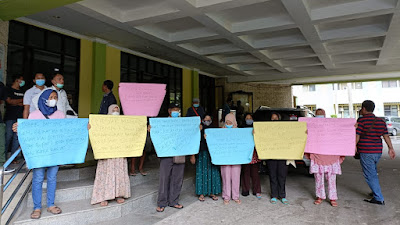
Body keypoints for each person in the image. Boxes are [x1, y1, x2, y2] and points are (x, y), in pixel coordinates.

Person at [13, 89, 65, 219]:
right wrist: (19, 128)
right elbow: (29, 132)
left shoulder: (60, 114)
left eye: (55, 97)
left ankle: (51, 204)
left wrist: (83, 127)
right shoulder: (34, 114)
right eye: (51, 97)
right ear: (44, 99)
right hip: (39, 152)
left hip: (54, 151)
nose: (54, 99)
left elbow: (65, 131)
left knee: (52, 178)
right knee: (38, 178)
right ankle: (37, 207)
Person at [356, 100, 396, 205]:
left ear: (364, 109)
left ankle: (378, 198)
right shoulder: (380, 121)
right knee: (372, 172)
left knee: (370, 175)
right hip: (377, 151)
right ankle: (375, 192)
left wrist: (353, 146)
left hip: (366, 151)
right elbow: (386, 136)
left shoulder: (361, 121)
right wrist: (390, 148)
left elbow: (357, 136)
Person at [90, 104, 131, 206]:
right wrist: (91, 127)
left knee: (119, 172)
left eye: (117, 110)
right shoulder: (103, 123)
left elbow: (130, 133)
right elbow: (97, 133)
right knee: (106, 173)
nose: (115, 112)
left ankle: (119, 194)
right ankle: (103, 196)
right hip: (107, 153)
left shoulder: (123, 123)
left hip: (119, 153)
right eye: (113, 110)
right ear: (109, 111)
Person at [305, 109, 345, 207]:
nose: (319, 116)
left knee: (331, 179)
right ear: (314, 115)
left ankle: (333, 198)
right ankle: (320, 196)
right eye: (318, 114)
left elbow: (341, 134)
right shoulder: (312, 126)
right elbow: (306, 137)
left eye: (321, 114)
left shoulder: (332, 125)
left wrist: (352, 128)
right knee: (318, 179)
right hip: (317, 155)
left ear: (325, 115)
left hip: (331, 156)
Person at [153, 103, 187, 212]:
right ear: (169, 111)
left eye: (177, 110)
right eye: (174, 110)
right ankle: (162, 203)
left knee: (177, 179)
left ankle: (174, 201)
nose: (176, 112)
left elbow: (190, 136)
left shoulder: (183, 123)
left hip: (180, 153)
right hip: (166, 154)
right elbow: (157, 133)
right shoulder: (163, 123)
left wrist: (197, 128)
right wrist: (151, 129)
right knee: (164, 178)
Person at [192, 114, 222, 202]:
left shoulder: (213, 129)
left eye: (209, 120)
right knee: (202, 172)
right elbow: (193, 141)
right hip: (202, 153)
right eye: (205, 120)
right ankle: (202, 193)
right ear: (202, 120)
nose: (207, 122)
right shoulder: (198, 130)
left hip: (212, 153)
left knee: (213, 171)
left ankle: (212, 192)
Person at [267, 112, 289, 205]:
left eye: (276, 118)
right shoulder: (267, 129)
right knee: (273, 176)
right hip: (271, 155)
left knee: (282, 176)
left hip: (282, 155)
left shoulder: (285, 130)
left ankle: (282, 196)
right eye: (273, 118)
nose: (274, 120)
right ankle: (274, 195)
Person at [220, 113, 241, 205]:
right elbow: (215, 140)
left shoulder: (239, 132)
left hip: (236, 158)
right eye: (227, 122)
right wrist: (207, 137)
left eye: (230, 122)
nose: (228, 124)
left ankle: (235, 196)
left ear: (234, 122)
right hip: (225, 157)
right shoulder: (220, 131)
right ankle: (226, 196)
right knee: (226, 177)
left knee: (236, 177)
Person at [4, 75, 25, 166]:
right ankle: (3, 158)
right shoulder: (9, 89)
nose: (22, 81)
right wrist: (20, 101)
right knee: (8, 137)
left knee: (17, 139)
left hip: (19, 118)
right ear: (17, 80)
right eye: (21, 80)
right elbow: (9, 101)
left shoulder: (23, 91)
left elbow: (25, 103)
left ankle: (13, 158)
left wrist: (16, 102)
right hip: (10, 117)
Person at [241, 113, 261, 199]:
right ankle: (245, 190)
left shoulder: (257, 128)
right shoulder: (241, 129)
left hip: (254, 153)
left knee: (255, 173)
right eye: (247, 118)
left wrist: (256, 133)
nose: (248, 120)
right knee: (245, 172)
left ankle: (257, 190)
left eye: (250, 118)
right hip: (245, 153)